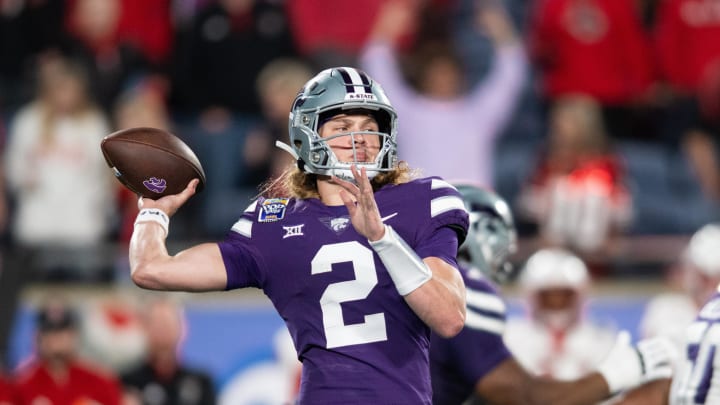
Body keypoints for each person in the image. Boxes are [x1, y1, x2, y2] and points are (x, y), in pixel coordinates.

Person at [128, 67, 469, 403]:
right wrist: (154, 211)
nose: (361, 138)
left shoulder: (423, 200)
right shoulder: (273, 224)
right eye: (343, 126)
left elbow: (449, 317)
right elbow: (151, 269)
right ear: (309, 136)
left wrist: (382, 238)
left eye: (369, 126)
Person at [429, 183, 677, 405]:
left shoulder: (414, 282)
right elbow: (525, 397)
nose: (502, 262)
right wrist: (615, 374)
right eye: (500, 248)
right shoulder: (465, 294)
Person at [360, 0, 526, 187]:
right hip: (420, 208)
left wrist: (501, 29)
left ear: (460, 76)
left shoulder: (478, 114)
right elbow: (376, 65)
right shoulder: (407, 111)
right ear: (425, 77)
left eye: (449, 73)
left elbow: (511, 75)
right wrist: (387, 28)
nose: (443, 79)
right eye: (437, 73)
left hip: (469, 207)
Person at [504, 248, 618, 380]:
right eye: (548, 297)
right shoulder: (511, 337)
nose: (556, 302)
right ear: (531, 297)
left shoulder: (600, 338)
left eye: (564, 296)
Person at [13, 297, 122, 405]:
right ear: (38, 337)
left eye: (62, 331)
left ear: (74, 335)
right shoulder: (23, 384)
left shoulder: (100, 381)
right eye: (49, 332)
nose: (56, 339)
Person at [122, 295, 215, 405]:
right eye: (156, 324)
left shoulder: (201, 382)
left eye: (167, 323)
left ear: (181, 328)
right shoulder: (128, 383)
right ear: (144, 328)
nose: (162, 331)